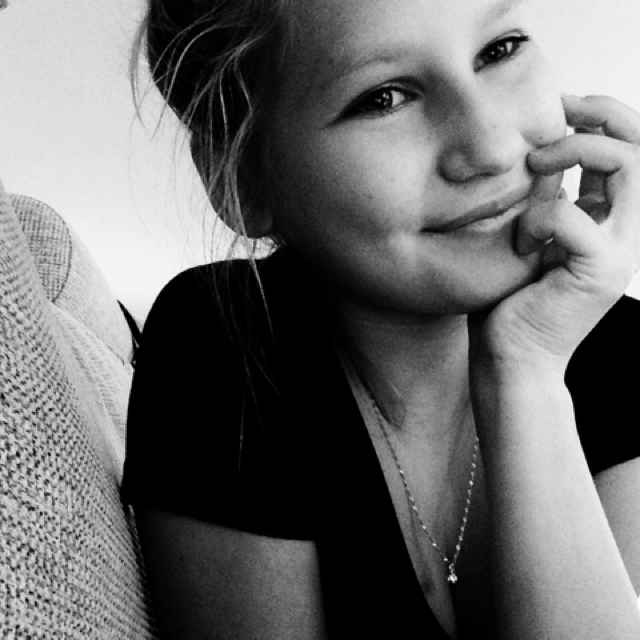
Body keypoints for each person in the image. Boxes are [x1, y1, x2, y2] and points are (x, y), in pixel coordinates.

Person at [121, 0, 640, 637]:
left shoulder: (623, 348)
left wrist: (526, 374)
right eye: (384, 98)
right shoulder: (224, 345)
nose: (492, 147)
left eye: (499, 50)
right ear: (248, 180)